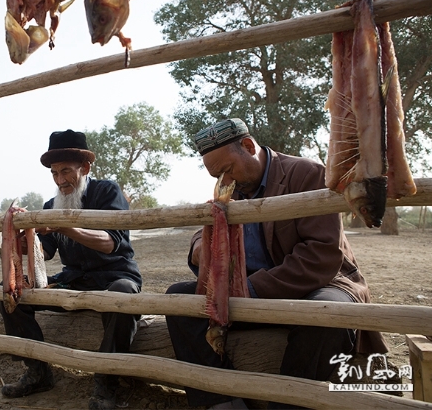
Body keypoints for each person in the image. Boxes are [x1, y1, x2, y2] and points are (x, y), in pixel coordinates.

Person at [165, 118, 388, 409]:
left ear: (248, 146)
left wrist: (249, 290)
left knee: (328, 313)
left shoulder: (307, 173)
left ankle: (290, 405)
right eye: (217, 176)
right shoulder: (234, 186)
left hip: (319, 284)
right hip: (250, 291)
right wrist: (199, 247)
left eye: (227, 169)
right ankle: (222, 402)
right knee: (177, 301)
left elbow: (321, 255)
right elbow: (207, 225)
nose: (225, 181)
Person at [0, 129, 142, 410]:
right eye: (54, 173)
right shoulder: (52, 205)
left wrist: (66, 226)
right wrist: (21, 238)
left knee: (122, 294)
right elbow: (46, 251)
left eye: (66, 171)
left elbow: (112, 243)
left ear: (85, 168)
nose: (60, 180)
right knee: (11, 297)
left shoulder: (106, 191)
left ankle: (107, 383)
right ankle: (38, 371)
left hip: (115, 276)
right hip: (73, 280)